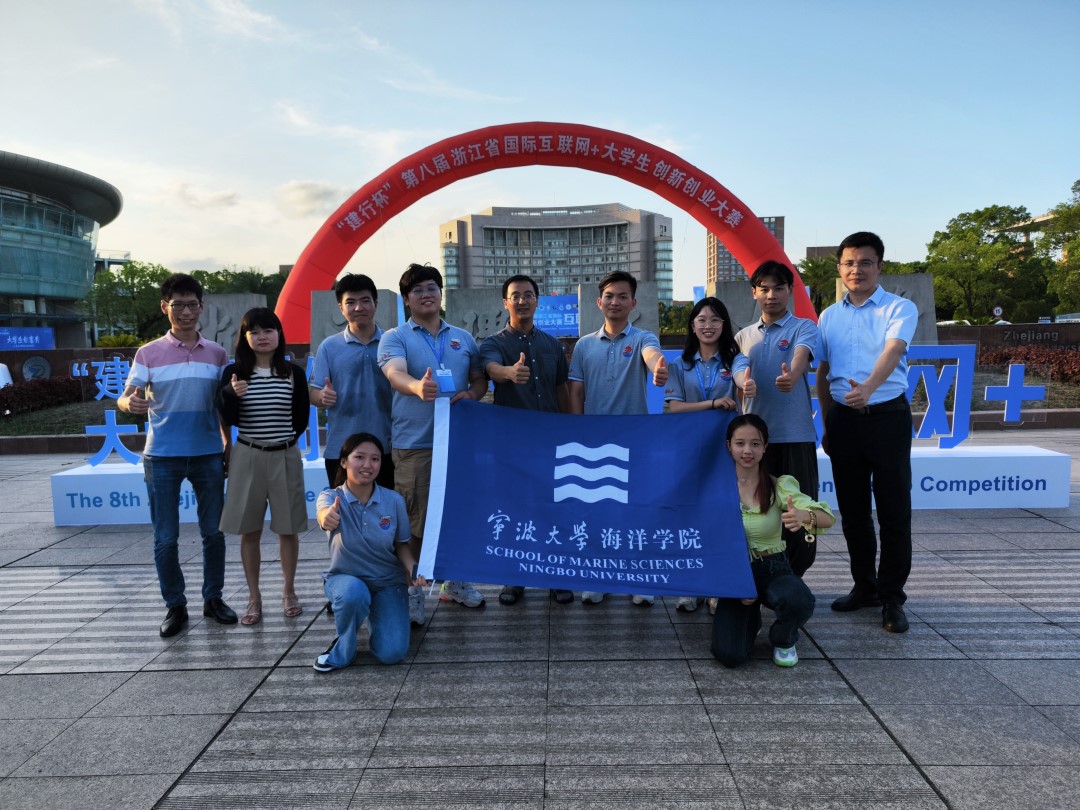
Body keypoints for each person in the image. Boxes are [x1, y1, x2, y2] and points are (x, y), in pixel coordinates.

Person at [118, 273, 236, 637]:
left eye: (192, 305)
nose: (186, 312)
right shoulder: (148, 353)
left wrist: (228, 445)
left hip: (207, 453)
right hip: (162, 456)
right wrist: (130, 403)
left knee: (213, 533)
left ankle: (213, 599)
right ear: (164, 307)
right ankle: (175, 605)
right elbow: (126, 396)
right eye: (178, 305)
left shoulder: (217, 353)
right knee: (166, 537)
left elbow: (224, 405)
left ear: (201, 307)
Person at [815, 232, 918, 633]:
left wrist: (870, 388)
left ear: (879, 266)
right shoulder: (828, 316)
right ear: (840, 267)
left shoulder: (899, 307)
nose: (856, 270)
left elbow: (894, 350)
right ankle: (865, 586)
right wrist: (828, 423)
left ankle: (892, 598)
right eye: (849, 263)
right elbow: (824, 372)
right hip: (844, 420)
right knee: (854, 511)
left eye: (865, 262)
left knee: (894, 511)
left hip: (887, 417)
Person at [379, 263, 488, 624]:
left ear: (441, 294)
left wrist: (473, 394)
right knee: (415, 522)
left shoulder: (463, 338)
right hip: (416, 444)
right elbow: (394, 373)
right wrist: (416, 386)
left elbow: (478, 381)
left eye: (432, 288)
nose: (426, 295)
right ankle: (412, 591)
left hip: (459, 442)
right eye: (417, 290)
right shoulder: (395, 337)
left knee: (459, 514)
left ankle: (454, 582)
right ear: (406, 298)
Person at [568, 270, 668, 606]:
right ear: (599, 302)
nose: (615, 302)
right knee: (597, 511)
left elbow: (652, 356)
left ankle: (637, 577)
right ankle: (600, 576)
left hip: (634, 441)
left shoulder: (642, 338)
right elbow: (576, 391)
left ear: (633, 303)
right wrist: (578, 431)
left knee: (636, 509)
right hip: (594, 443)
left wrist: (658, 369)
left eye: (622, 296)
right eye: (609, 296)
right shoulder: (584, 345)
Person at [480, 274, 574, 606]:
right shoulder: (493, 343)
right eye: (515, 296)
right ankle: (515, 576)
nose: (522, 301)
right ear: (505, 302)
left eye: (528, 295)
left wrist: (570, 430)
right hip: (511, 444)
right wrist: (509, 373)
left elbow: (561, 389)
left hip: (550, 442)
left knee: (552, 507)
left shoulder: (552, 345)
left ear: (537, 301)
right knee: (515, 508)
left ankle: (555, 575)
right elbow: (491, 368)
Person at [712, 414, 833, 668]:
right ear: (729, 446)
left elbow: (827, 518)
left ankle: (784, 638)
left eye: (755, 444)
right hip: (735, 571)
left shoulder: (779, 485)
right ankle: (751, 619)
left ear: (765, 447)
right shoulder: (716, 488)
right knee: (729, 655)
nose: (747, 451)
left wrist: (803, 516)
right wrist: (733, 584)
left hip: (772, 567)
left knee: (798, 599)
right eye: (740, 443)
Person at [217, 308, 310, 625]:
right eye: (254, 332)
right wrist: (231, 393)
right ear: (245, 338)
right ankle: (253, 597)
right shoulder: (234, 372)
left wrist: (283, 443)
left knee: (288, 528)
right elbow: (226, 415)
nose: (262, 337)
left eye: (268, 330)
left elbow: (301, 418)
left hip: (284, 454)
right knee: (249, 530)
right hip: (248, 455)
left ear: (279, 334)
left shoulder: (293, 373)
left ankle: (289, 591)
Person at [735, 261, 821, 577]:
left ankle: (794, 580)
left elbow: (801, 356)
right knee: (757, 512)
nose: (771, 295)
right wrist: (743, 382)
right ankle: (759, 579)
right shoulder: (742, 336)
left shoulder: (804, 327)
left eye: (779, 288)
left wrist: (792, 376)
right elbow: (737, 371)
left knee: (800, 512)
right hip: (755, 445)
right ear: (754, 293)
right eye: (764, 289)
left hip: (795, 436)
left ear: (790, 291)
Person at [313, 433, 424, 672]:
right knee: (353, 593)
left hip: (387, 582)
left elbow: (402, 545)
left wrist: (413, 568)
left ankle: (378, 616)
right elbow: (323, 513)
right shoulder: (331, 497)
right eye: (359, 457)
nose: (368, 465)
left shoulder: (393, 500)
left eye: (375, 459)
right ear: (344, 462)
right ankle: (343, 649)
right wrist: (327, 516)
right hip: (346, 579)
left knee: (392, 653)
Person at [665, 296, 748, 612]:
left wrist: (746, 382)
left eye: (715, 319)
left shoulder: (734, 360)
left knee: (721, 518)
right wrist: (713, 404)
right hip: (688, 452)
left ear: (724, 325)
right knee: (689, 518)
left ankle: (716, 588)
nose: (708, 325)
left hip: (724, 455)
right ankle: (691, 586)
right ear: (692, 325)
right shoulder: (679, 365)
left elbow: (742, 376)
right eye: (701, 319)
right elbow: (674, 408)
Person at [309, 274, 394, 489]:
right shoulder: (329, 347)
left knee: (387, 508)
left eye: (365, 300)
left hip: (388, 448)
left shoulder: (393, 342)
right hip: (342, 449)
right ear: (341, 308)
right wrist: (322, 396)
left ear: (376, 303)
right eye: (351, 302)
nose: (358, 307)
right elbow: (314, 393)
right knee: (343, 508)